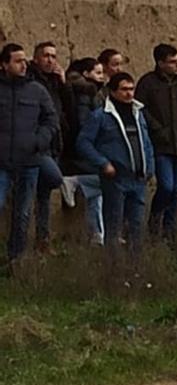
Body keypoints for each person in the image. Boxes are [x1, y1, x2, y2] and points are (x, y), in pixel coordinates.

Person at [76, 73, 155, 268]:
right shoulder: (101, 116)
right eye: (124, 89)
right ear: (113, 91)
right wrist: (103, 163)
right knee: (115, 225)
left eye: (131, 89)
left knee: (136, 226)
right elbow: (83, 143)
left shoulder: (139, 113)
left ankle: (135, 268)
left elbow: (146, 143)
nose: (129, 94)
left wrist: (150, 167)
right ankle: (114, 268)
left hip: (138, 179)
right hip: (116, 178)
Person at [0, 44, 58, 265]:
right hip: (2, 161)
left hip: (29, 160)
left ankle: (16, 258)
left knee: (23, 213)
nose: (23, 65)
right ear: (4, 64)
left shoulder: (36, 90)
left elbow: (51, 119)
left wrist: (39, 141)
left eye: (24, 60)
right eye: (17, 61)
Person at [136, 43, 177, 243]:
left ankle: (168, 230)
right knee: (167, 186)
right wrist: (157, 129)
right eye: (171, 62)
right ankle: (155, 221)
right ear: (160, 63)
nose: (176, 65)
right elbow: (141, 109)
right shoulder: (147, 83)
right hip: (161, 144)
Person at [28, 42, 71, 253]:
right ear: (36, 58)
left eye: (53, 56)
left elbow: (66, 110)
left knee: (43, 195)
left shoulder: (55, 81)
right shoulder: (30, 80)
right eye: (46, 56)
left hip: (54, 144)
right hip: (36, 145)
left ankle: (42, 240)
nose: (50, 60)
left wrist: (64, 83)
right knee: (54, 179)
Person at [64, 58, 107, 245]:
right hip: (83, 150)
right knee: (107, 180)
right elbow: (83, 123)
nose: (102, 76)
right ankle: (74, 182)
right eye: (98, 73)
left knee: (98, 193)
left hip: (90, 147)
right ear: (86, 74)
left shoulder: (92, 92)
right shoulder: (85, 93)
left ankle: (97, 233)